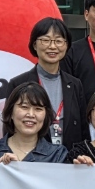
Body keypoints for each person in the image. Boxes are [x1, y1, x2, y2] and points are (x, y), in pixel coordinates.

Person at [8, 16, 87, 149]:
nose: (52, 46)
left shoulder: (75, 84)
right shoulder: (18, 84)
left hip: (70, 157)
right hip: (33, 157)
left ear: (66, 45)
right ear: (34, 44)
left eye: (59, 41)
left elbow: (83, 129)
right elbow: (9, 128)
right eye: (45, 40)